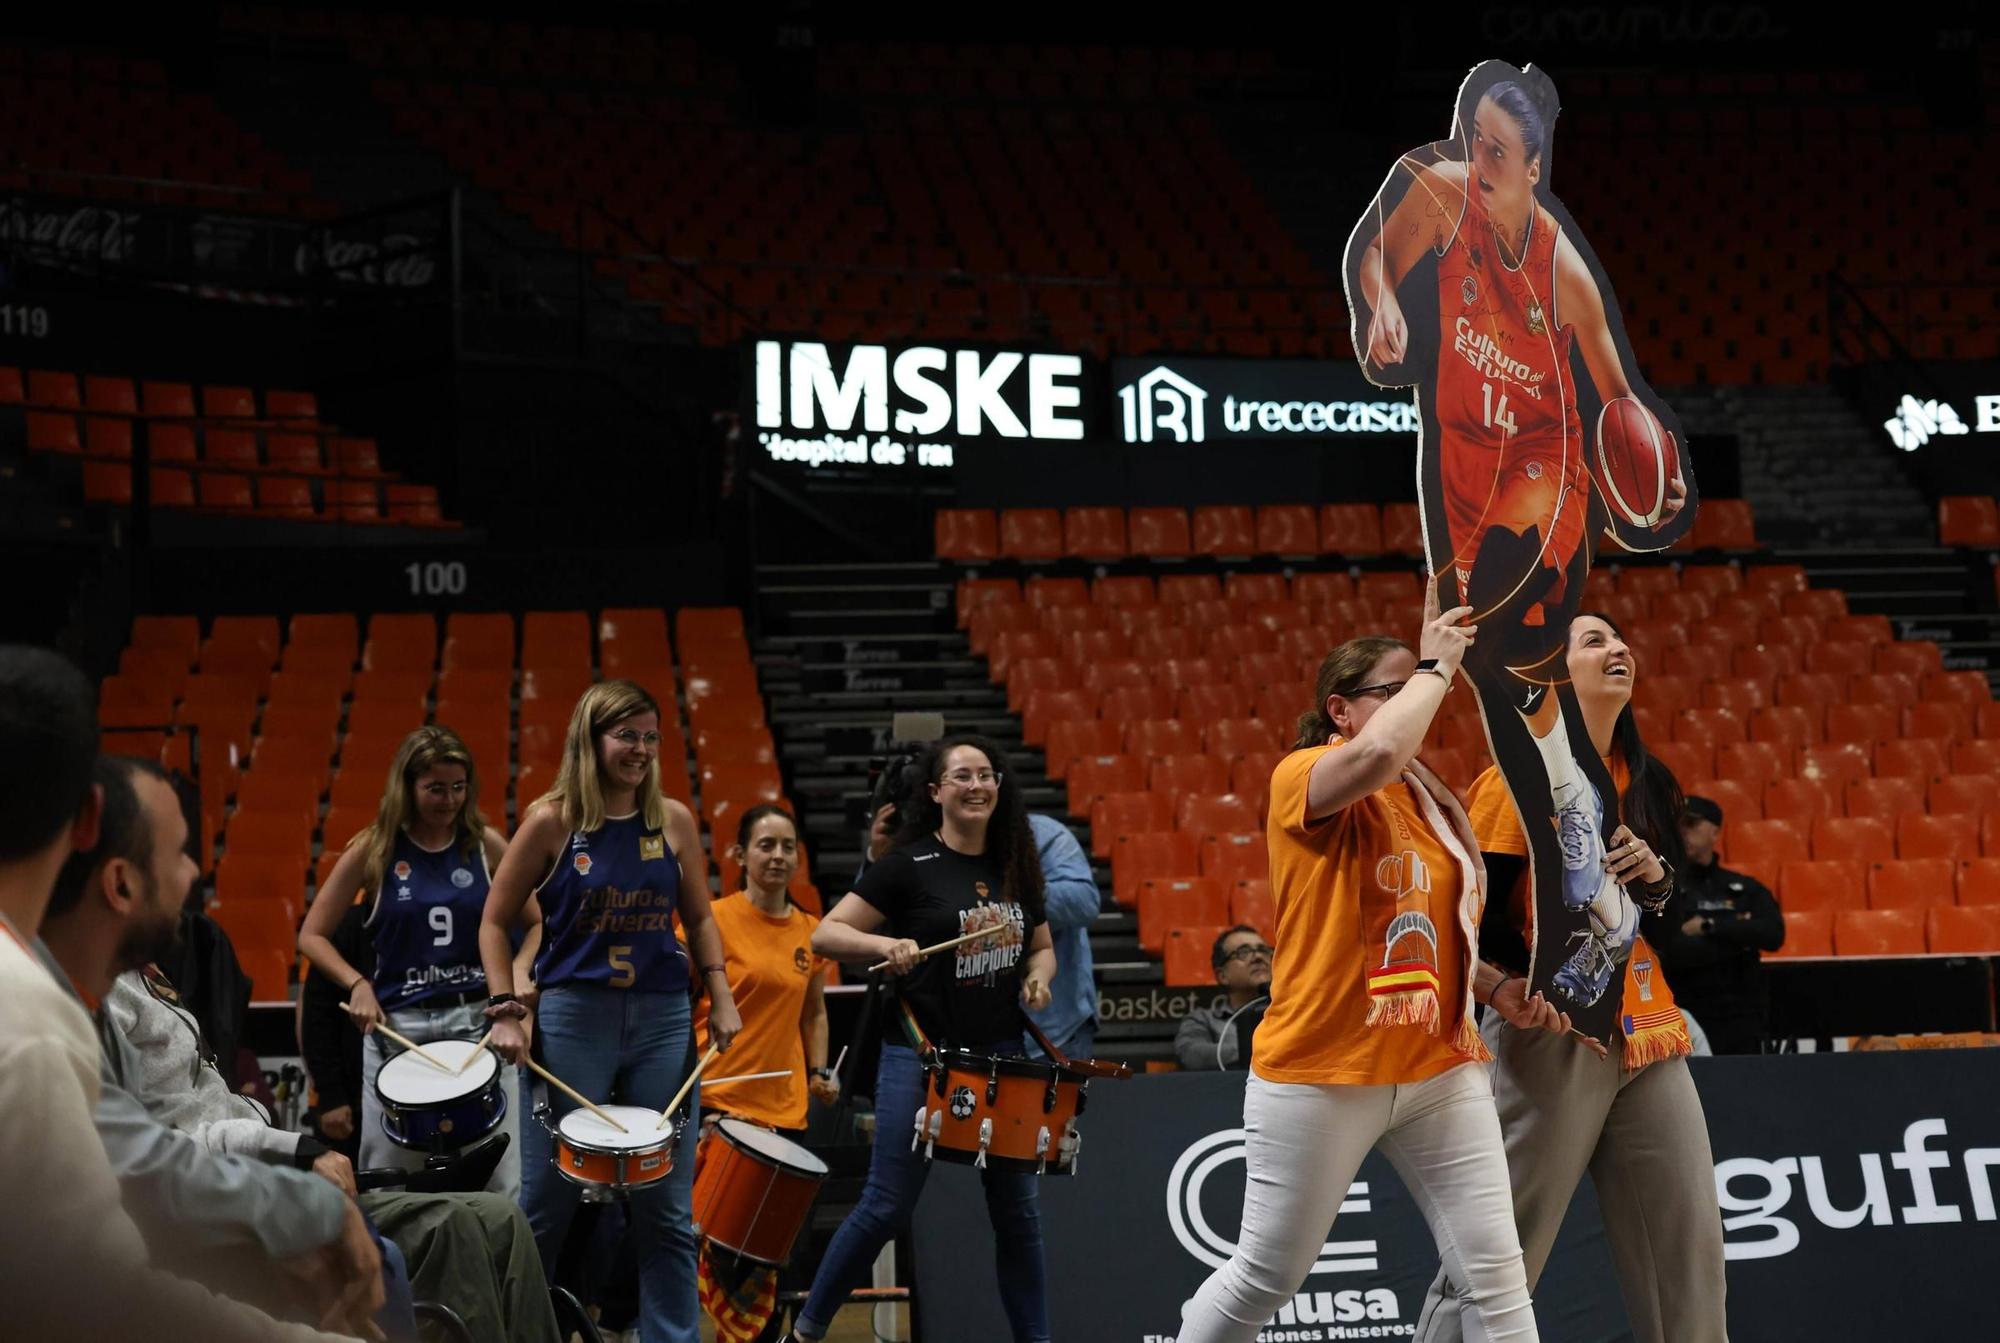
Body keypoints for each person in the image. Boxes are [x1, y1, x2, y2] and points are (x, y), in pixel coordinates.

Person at [1347, 63, 1692, 1023]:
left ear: (1535, 167)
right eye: (1473, 138)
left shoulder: (1562, 268)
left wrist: (1646, 481)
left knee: (1514, 637)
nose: (1481, 157)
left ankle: (1586, 898)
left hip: (1545, 476)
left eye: (1499, 149)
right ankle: (1587, 891)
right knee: (1523, 703)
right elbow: (1375, 254)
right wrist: (1379, 302)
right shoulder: (1438, 189)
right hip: (1457, 481)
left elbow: (1618, 400)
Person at [1175, 592, 1576, 1343]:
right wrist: (1437, 662)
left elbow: (1428, 925)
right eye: (1394, 690)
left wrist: (1497, 987)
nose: (1420, 701)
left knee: (1496, 1274)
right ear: (1341, 709)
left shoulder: (1428, 798)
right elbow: (1378, 753)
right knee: (1267, 1273)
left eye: (1420, 689)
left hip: (1437, 1062)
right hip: (1324, 1065)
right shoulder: (1306, 773)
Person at [0, 646, 349, 1343]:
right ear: (91, 818)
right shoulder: (30, 1017)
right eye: (184, 850)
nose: (193, 872)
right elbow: (109, 1303)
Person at [1416, 614, 1728, 1343]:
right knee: (1502, 1249)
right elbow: (1477, 922)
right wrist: (1502, 993)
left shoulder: (1648, 778)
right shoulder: (1509, 780)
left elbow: (1658, 907)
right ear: (1555, 675)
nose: (1619, 647)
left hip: (1647, 1030)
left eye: (1621, 638)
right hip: (1550, 1029)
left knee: (1687, 1245)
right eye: (1594, 641)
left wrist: (1658, 878)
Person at [480, 679, 742, 1343]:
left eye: (651, 736)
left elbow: (701, 917)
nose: (641, 749)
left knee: (666, 1210)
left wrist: (723, 990)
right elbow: (492, 920)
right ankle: (517, 1331)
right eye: (627, 734)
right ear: (591, 739)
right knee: (547, 1201)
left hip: (663, 1022)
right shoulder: (552, 819)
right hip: (574, 1021)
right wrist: (504, 1008)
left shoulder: (673, 819)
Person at [790, 734, 1057, 1343]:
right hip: (921, 1055)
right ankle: (806, 1332)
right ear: (936, 792)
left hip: (1001, 1059)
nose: (977, 786)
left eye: (986, 775)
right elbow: (827, 936)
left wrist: (1038, 980)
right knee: (886, 1205)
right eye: (962, 776)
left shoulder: (1015, 861)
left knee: (1018, 1216)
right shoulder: (906, 866)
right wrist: (887, 945)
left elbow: (1041, 947)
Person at [298, 725, 528, 1194]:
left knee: (502, 1179)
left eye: (458, 788)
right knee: (390, 1183)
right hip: (397, 1032)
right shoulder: (375, 848)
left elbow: (539, 922)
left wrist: (517, 977)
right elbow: (312, 935)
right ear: (407, 787)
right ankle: (397, 1268)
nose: (449, 800)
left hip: (478, 1026)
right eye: (435, 788)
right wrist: (357, 983)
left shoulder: (485, 845)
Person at [695, 804, 840, 1131]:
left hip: (785, 1108)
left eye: (788, 847)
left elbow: (814, 1012)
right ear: (740, 855)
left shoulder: (811, 930)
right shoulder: (709, 921)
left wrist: (819, 1072)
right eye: (766, 845)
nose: (779, 855)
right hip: (716, 1096)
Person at [1648, 795, 1784, 1055]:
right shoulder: (1665, 887)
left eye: (1691, 824)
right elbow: (1672, 949)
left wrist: (1710, 926)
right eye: (1679, 825)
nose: (1682, 832)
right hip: (1685, 1009)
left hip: (1740, 1015)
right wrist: (1739, 939)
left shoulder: (1745, 888)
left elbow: (1774, 934)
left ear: (1715, 832)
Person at [1023, 811, 1100, 1061]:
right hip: (972, 1034)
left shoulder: (1044, 833)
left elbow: (1085, 902)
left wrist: (1018, 891)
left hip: (1054, 1031)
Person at [1173, 925, 1272, 1071]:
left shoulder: (1292, 1011)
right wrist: (1270, 1050)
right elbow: (1192, 1055)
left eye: (1263, 950)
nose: (1258, 957)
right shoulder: (1204, 1020)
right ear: (1222, 976)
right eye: (1243, 952)